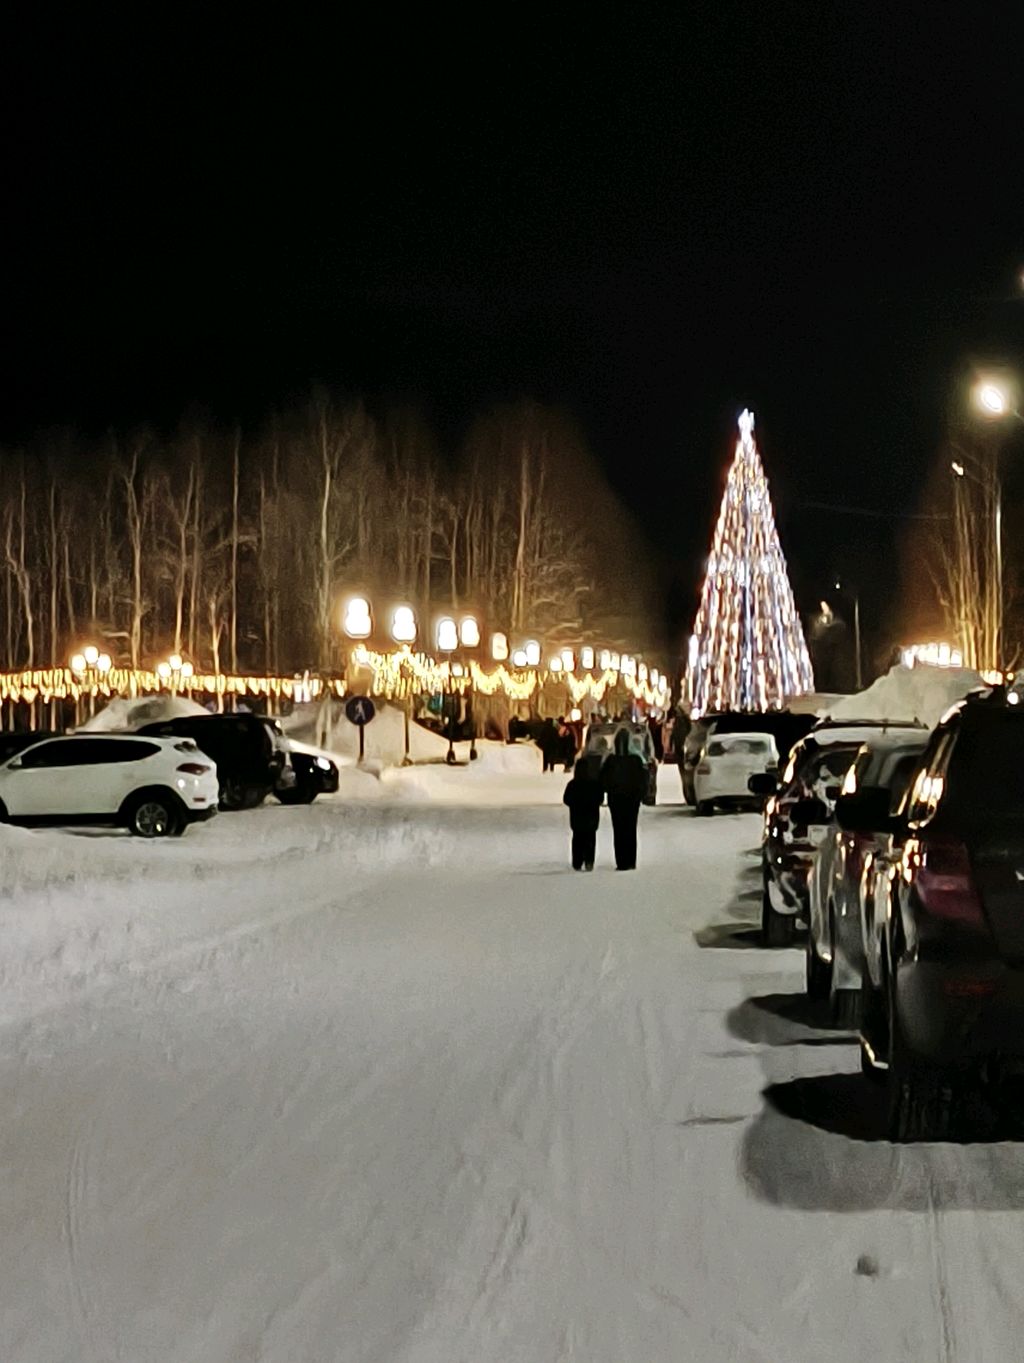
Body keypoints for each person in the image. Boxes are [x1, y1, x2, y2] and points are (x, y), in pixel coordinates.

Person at [601, 727, 647, 869]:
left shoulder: (611, 760)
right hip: (632, 800)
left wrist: (609, 791)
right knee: (630, 829)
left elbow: (603, 779)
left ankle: (621, 861)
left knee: (619, 830)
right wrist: (640, 794)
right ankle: (630, 860)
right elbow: (643, 780)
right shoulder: (636, 760)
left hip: (616, 800)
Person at [562, 749, 604, 870]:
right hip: (592, 817)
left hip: (577, 818)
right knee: (590, 839)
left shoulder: (573, 784)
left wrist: (575, 804)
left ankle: (577, 861)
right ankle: (589, 861)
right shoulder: (594, 784)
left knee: (577, 840)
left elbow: (566, 799)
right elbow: (600, 798)